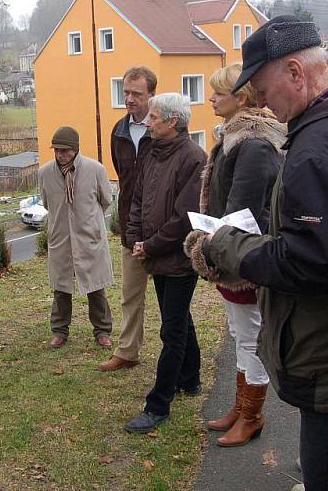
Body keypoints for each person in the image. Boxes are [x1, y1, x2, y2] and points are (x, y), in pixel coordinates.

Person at [188, 16, 328, 490]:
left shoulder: (317, 145)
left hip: (325, 348)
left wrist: (229, 248)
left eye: (266, 89)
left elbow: (314, 263)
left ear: (296, 72)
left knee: (325, 466)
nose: (263, 102)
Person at [184, 63, 286, 447]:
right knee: (239, 333)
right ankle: (240, 406)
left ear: (241, 98)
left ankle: (252, 414)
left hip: (245, 257)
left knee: (250, 337)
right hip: (230, 252)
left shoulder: (254, 144)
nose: (210, 98)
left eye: (217, 92)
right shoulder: (235, 137)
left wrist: (212, 245)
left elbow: (244, 209)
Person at [123, 93, 206, 434]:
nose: (147, 122)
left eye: (154, 117)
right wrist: (134, 236)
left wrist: (152, 245)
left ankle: (159, 404)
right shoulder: (152, 152)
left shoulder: (194, 159)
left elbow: (185, 217)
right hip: (154, 253)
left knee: (171, 330)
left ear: (172, 122)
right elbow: (138, 198)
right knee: (178, 316)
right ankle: (191, 378)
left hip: (178, 257)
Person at [98, 66, 156, 372]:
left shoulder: (162, 129)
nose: (130, 99)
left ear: (151, 95)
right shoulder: (118, 132)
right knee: (130, 294)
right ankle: (128, 351)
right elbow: (123, 178)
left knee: (172, 302)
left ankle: (186, 362)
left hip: (161, 229)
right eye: (126, 93)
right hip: (130, 228)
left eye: (137, 93)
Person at [38, 126, 113, 348]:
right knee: (61, 288)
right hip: (61, 238)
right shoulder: (45, 173)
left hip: (89, 238)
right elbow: (46, 203)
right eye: (57, 150)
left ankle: (102, 331)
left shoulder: (95, 170)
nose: (61, 154)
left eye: (66, 150)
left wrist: (89, 220)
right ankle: (60, 331)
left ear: (76, 149)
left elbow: (106, 199)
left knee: (96, 287)